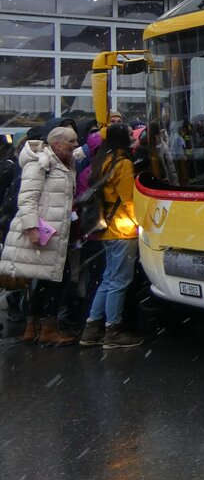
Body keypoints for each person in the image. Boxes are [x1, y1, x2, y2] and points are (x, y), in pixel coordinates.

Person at [0, 126, 81, 346]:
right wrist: (32, 228)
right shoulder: (40, 163)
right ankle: (48, 329)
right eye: (71, 142)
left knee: (46, 279)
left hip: (55, 231)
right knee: (55, 280)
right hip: (46, 233)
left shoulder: (62, 161)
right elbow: (27, 199)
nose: (76, 145)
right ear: (56, 145)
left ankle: (32, 327)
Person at [78, 123, 143, 350]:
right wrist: (140, 224)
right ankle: (113, 330)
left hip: (105, 228)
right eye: (129, 136)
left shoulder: (102, 160)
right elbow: (128, 199)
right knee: (120, 281)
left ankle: (92, 327)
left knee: (108, 278)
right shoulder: (123, 163)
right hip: (123, 229)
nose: (132, 139)